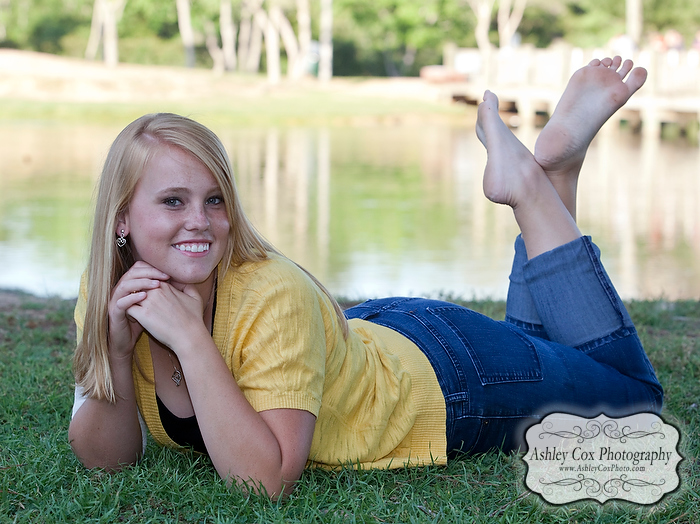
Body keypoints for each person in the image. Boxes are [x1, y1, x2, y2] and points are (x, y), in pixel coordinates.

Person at [69, 56, 663, 498]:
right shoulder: (113, 295)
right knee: (551, 353)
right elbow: (106, 461)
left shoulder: (271, 292)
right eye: (173, 201)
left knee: (637, 406)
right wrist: (117, 354)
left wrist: (192, 340)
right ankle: (556, 170)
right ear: (121, 216)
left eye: (215, 200)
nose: (200, 222)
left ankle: (531, 187)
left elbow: (268, 481)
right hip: (366, 340)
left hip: (447, 378)